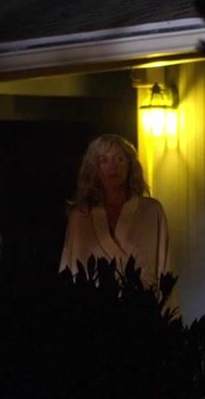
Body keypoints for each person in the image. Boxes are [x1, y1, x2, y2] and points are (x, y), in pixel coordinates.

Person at [60, 134, 175, 312]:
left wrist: (168, 317)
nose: (113, 166)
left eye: (119, 159)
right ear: (94, 168)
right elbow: (68, 268)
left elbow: (165, 268)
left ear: (130, 165)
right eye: (104, 160)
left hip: (141, 311)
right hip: (92, 311)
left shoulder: (152, 211)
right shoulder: (80, 216)